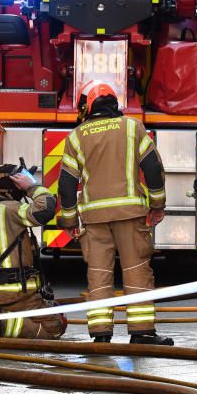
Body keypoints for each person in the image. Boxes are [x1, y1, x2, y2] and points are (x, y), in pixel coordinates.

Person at [57, 80, 172, 345]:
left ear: (87, 107)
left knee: (98, 274)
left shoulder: (76, 136)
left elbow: (66, 183)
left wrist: (69, 219)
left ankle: (100, 335)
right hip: (130, 214)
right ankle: (142, 333)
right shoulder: (133, 128)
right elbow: (153, 169)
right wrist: (157, 205)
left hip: (94, 219)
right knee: (137, 270)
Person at [0, 164, 66, 339]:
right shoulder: (9, 209)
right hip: (16, 295)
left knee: (54, 313)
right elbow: (45, 210)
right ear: (15, 185)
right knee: (56, 325)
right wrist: (32, 187)